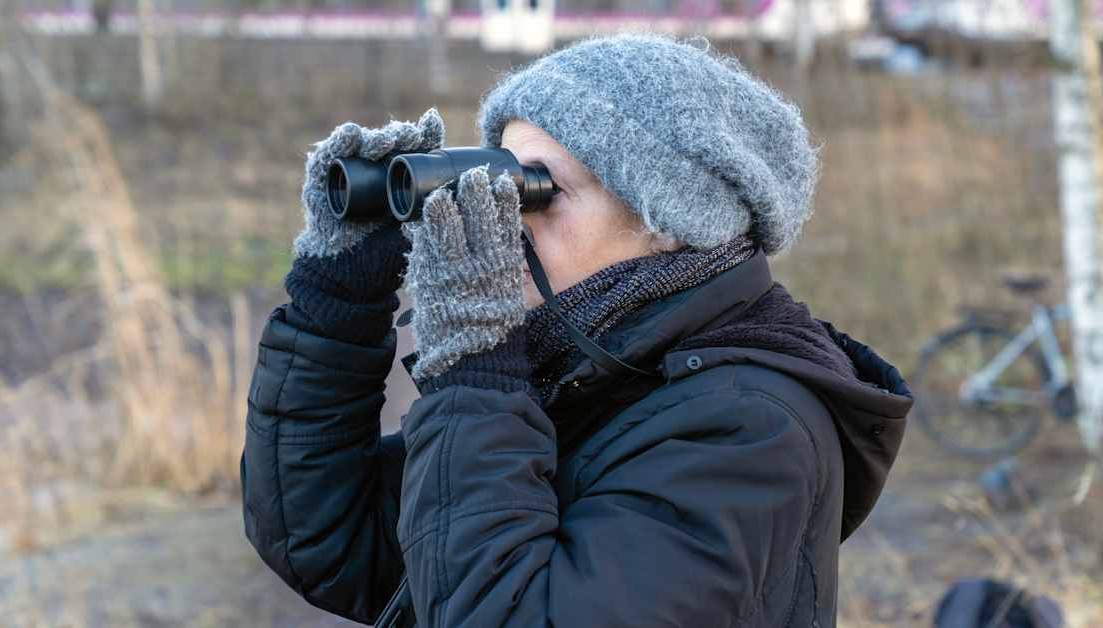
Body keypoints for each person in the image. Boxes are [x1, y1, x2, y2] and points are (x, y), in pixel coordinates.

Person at [240, 33, 912, 628]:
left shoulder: (749, 428)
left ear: (666, 219)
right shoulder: (587, 366)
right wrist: (338, 294)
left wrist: (475, 370)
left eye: (537, 188)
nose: (503, 214)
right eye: (498, 172)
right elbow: (327, 540)